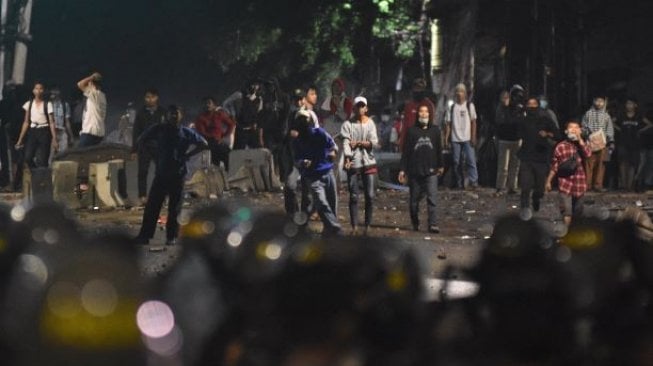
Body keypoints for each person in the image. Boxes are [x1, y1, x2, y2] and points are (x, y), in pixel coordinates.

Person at [134, 106, 208, 246]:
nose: (173, 116)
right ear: (166, 115)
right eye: (171, 113)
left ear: (181, 116)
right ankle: (145, 236)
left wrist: (187, 155)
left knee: (174, 208)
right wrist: (154, 154)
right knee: (152, 207)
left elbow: (204, 144)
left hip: (178, 175)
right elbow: (141, 140)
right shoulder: (159, 129)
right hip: (161, 174)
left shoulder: (186, 132)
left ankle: (171, 237)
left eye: (176, 113)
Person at [292, 109, 342, 237]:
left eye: (305, 119)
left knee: (332, 204)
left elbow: (333, 146)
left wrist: (332, 153)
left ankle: (329, 232)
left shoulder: (319, 133)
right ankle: (335, 228)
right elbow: (297, 160)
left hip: (327, 172)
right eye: (300, 120)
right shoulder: (297, 141)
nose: (303, 122)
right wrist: (303, 162)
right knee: (321, 203)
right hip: (312, 177)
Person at [398, 102, 444, 233]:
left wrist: (441, 165)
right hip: (415, 172)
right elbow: (406, 152)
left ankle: (433, 224)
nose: (424, 114)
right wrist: (402, 170)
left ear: (430, 114)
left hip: (431, 171)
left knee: (432, 198)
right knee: (414, 201)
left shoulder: (435, 130)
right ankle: (415, 223)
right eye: (421, 111)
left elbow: (439, 150)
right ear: (417, 114)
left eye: (426, 112)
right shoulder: (412, 131)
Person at [340, 96, 378, 235]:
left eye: (363, 106)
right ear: (354, 108)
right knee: (354, 196)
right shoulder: (347, 124)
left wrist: (359, 143)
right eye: (358, 106)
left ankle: (367, 225)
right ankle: (354, 226)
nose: (360, 108)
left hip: (369, 162)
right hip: (353, 162)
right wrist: (348, 157)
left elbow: (373, 142)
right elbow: (346, 142)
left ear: (366, 108)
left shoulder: (371, 124)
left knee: (370, 195)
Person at [517, 97, 559, 213]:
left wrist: (547, 134)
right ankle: (525, 209)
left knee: (540, 188)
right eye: (529, 105)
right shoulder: (523, 120)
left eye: (534, 104)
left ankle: (536, 198)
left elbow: (557, 134)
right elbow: (517, 132)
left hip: (541, 157)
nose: (531, 107)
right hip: (526, 157)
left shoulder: (545, 120)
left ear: (538, 106)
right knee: (525, 186)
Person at [546, 120, 592, 226]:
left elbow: (588, 154)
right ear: (566, 131)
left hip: (579, 183)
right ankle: (566, 233)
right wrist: (548, 181)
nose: (574, 130)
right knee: (567, 211)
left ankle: (574, 234)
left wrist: (580, 140)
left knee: (578, 212)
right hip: (565, 182)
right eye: (571, 128)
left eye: (577, 128)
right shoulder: (560, 146)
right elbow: (555, 166)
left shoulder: (583, 144)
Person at [132, 89, 166, 203]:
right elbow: (136, 132)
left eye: (152, 97)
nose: (149, 99)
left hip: (159, 146)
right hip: (144, 146)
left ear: (156, 98)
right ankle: (142, 197)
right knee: (142, 172)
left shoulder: (163, 112)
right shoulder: (141, 113)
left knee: (161, 172)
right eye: (147, 97)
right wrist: (134, 150)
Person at [14, 82, 57, 169]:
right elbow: (26, 122)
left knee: (42, 159)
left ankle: (41, 178)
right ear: (33, 91)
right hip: (33, 131)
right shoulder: (29, 104)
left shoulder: (47, 104)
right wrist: (20, 139)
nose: (38, 91)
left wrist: (54, 138)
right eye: (36, 88)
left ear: (43, 91)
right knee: (28, 157)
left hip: (44, 130)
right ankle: (35, 173)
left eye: (41, 89)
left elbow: (52, 122)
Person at [444, 83, 479, 189]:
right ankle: (459, 182)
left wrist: (473, 136)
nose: (459, 94)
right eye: (457, 91)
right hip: (455, 138)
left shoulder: (469, 106)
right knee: (456, 161)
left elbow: (473, 122)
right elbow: (448, 124)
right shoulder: (452, 107)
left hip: (467, 138)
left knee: (470, 159)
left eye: (461, 91)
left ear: (465, 94)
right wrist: (446, 138)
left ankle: (474, 181)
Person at [614, 97, 649, 191]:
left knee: (632, 164)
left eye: (631, 104)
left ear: (635, 105)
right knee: (622, 163)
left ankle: (629, 186)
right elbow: (612, 121)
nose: (628, 106)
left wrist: (640, 131)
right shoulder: (621, 115)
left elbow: (649, 124)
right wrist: (619, 129)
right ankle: (624, 186)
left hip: (635, 143)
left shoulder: (639, 116)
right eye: (627, 104)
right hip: (622, 142)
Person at [581, 95, 614, 192]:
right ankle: (587, 185)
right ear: (593, 101)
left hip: (602, 144)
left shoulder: (606, 115)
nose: (599, 103)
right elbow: (583, 127)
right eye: (597, 101)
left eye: (601, 101)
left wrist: (611, 141)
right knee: (589, 164)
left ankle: (598, 185)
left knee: (601, 165)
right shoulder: (588, 114)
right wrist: (588, 134)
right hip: (590, 143)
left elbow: (609, 129)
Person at [194, 96, 236, 171]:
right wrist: (214, 138)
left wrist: (224, 136)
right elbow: (202, 133)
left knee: (230, 158)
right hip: (208, 144)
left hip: (218, 142)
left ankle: (229, 177)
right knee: (215, 164)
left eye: (209, 103)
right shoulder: (200, 118)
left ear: (214, 105)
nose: (207, 105)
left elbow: (231, 124)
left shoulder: (219, 114)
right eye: (205, 103)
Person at [494, 90, 521, 195]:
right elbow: (499, 123)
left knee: (515, 165)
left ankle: (512, 186)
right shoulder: (500, 110)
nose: (505, 100)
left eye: (507, 98)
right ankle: (500, 186)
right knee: (503, 165)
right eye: (503, 98)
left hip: (516, 139)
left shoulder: (515, 108)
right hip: (504, 139)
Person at [399, 78, 436, 149]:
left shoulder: (428, 105)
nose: (418, 91)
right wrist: (402, 143)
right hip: (410, 140)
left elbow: (431, 123)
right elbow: (405, 125)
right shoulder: (409, 106)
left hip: (424, 140)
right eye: (416, 89)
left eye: (420, 89)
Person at [76, 72, 107, 147]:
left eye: (89, 84)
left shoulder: (95, 94)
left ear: (92, 84)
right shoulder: (101, 96)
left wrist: (92, 77)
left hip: (90, 132)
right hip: (98, 132)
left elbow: (80, 84)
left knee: (79, 155)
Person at [234, 81, 262, 149]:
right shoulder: (239, 96)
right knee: (240, 149)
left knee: (256, 149)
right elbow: (226, 104)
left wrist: (256, 123)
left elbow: (259, 113)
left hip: (253, 128)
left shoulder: (259, 99)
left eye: (256, 85)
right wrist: (233, 115)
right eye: (253, 85)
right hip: (242, 128)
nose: (254, 87)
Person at [49, 86, 74, 158]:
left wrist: (71, 136)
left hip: (62, 132)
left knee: (63, 154)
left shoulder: (64, 105)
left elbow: (67, 122)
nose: (52, 93)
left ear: (59, 93)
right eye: (52, 92)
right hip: (51, 133)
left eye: (55, 91)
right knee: (51, 155)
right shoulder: (48, 105)